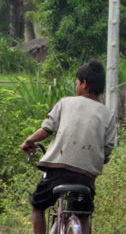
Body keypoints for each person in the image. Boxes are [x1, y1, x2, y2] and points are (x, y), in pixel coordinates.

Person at [21, 60, 117, 234]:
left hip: (57, 170)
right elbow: (108, 148)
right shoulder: (108, 115)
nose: (76, 86)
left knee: (37, 205)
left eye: (77, 82)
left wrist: (29, 141)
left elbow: (46, 129)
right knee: (83, 214)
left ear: (84, 84)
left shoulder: (65, 103)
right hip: (86, 176)